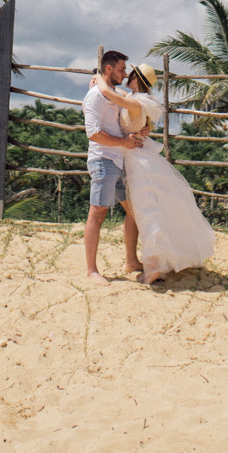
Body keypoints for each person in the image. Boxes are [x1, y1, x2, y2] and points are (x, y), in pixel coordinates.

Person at [90, 61, 216, 285]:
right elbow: (121, 97)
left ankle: (153, 264)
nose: (126, 75)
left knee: (146, 210)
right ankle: (134, 260)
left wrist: (98, 77)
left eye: (131, 73)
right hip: (135, 156)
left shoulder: (134, 102)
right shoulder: (142, 100)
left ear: (137, 79)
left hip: (134, 158)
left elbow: (110, 94)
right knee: (139, 211)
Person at [82, 49, 146, 285]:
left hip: (119, 160)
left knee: (134, 211)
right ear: (108, 69)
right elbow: (94, 134)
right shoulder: (95, 97)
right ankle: (91, 270)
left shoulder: (111, 93)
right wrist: (123, 142)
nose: (125, 73)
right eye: (121, 69)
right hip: (103, 160)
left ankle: (131, 261)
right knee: (97, 213)